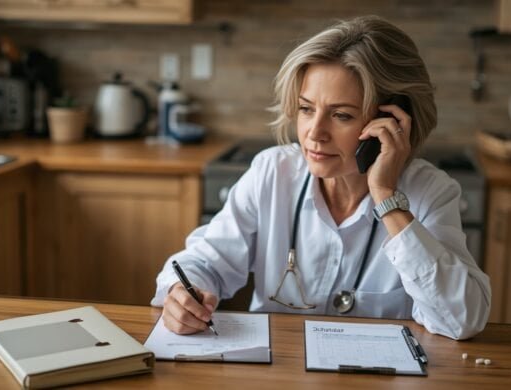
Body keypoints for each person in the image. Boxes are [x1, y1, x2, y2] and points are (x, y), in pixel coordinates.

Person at [152, 15, 491, 340]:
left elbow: (463, 320)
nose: (314, 133)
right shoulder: (272, 173)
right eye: (306, 109)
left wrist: (386, 197)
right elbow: (203, 262)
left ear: (393, 122)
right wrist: (182, 293)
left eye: (341, 115)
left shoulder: (429, 193)